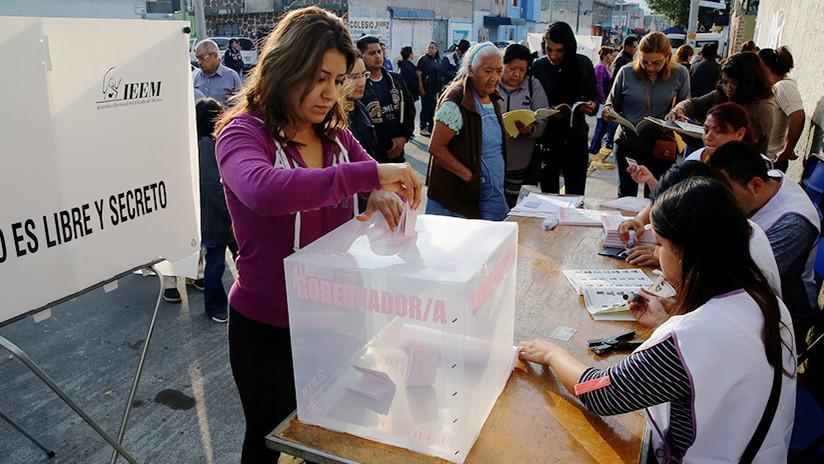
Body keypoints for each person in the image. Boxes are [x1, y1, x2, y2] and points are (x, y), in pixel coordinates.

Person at [213, 7, 422, 462]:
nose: (330, 93)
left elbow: (366, 181)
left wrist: (376, 196)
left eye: (339, 80)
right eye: (320, 78)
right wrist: (366, 178)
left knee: (334, 439)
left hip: (338, 317)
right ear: (285, 67)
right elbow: (264, 190)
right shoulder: (242, 134)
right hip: (269, 328)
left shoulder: (335, 137)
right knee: (271, 440)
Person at [520, 176, 796, 463]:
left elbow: (599, 393)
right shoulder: (767, 300)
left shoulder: (689, 335)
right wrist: (668, 318)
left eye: (661, 245)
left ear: (689, 252)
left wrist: (553, 354)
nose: (656, 254)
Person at [708, 141, 820, 350]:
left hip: (780, 321)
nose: (720, 202)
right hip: (743, 303)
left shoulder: (793, 222)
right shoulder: (765, 178)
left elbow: (742, 278)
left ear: (756, 185)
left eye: (726, 193)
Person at [618, 160, 782, 298]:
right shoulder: (727, 227)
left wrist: (671, 261)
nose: (655, 252)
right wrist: (640, 219)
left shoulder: (725, 262)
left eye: (659, 244)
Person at [425, 42, 508, 220]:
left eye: (499, 71)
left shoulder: (492, 98)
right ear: (471, 69)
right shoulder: (456, 101)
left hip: (492, 193)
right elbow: (436, 147)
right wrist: (469, 177)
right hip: (461, 196)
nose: (495, 77)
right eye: (488, 71)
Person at [602, 31, 690, 198]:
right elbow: (611, 102)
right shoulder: (626, 72)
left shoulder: (680, 73)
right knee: (626, 196)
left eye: (656, 63)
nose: (650, 68)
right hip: (628, 142)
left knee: (657, 197)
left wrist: (677, 113)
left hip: (661, 144)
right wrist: (608, 111)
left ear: (667, 56)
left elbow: (686, 105)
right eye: (645, 62)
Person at [629, 102, 758, 191]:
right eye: (706, 130)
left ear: (740, 133)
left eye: (718, 131)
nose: (708, 137)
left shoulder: (753, 165)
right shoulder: (696, 158)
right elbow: (671, 197)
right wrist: (650, 180)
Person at [532, 22, 598, 195]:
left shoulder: (583, 64)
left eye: (559, 50)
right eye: (549, 49)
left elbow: (595, 98)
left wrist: (592, 106)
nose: (553, 55)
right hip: (547, 140)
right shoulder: (539, 67)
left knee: (575, 195)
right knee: (548, 196)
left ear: (568, 48)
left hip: (575, 138)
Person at [669, 52, 776, 157]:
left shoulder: (762, 108)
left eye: (734, 84)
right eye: (724, 82)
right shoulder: (721, 94)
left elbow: (750, 147)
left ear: (748, 83)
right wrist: (679, 109)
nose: (728, 88)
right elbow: (694, 103)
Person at [195, 97, 236, 323]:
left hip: (220, 215)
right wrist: (231, 214)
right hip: (216, 217)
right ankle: (215, 306)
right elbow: (214, 185)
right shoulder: (205, 145)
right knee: (216, 263)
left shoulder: (210, 142)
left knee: (241, 256)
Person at [498, 43, 548, 207]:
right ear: (502, 65)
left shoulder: (533, 86)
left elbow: (542, 119)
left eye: (522, 70)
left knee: (509, 204)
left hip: (518, 159)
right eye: (512, 68)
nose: (517, 74)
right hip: (490, 157)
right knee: (489, 204)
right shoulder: (492, 84)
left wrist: (531, 129)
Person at [356, 35, 415, 163]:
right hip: (371, 155)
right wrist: (387, 145)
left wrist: (403, 138)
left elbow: (409, 109)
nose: (378, 56)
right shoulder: (359, 85)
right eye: (372, 53)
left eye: (379, 51)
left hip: (399, 149)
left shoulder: (395, 79)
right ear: (362, 57)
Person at [759, 47, 805, 171]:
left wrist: (787, 150)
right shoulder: (776, 87)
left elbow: (798, 117)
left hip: (774, 161)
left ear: (766, 66)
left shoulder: (784, 86)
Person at [343, 55, 378, 161]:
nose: (361, 83)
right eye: (353, 77)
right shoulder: (331, 119)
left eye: (363, 75)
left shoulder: (361, 107)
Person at [193, 39, 242, 107]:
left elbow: (238, 105)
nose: (199, 62)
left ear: (215, 56)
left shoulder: (231, 76)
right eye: (197, 58)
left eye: (202, 58)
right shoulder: (197, 77)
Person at [588, 45, 617, 156]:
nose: (611, 57)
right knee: (601, 125)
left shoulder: (607, 67)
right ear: (604, 55)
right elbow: (598, 84)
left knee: (603, 125)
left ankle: (596, 146)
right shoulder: (600, 68)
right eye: (609, 55)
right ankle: (594, 147)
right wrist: (603, 99)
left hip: (604, 101)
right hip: (601, 101)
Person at [417, 42, 443, 136]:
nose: (431, 49)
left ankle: (431, 128)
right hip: (426, 88)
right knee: (426, 108)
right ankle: (423, 127)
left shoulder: (438, 60)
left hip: (435, 90)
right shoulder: (423, 59)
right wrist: (421, 87)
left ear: (436, 50)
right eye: (429, 47)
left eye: (433, 48)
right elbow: (419, 74)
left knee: (433, 109)